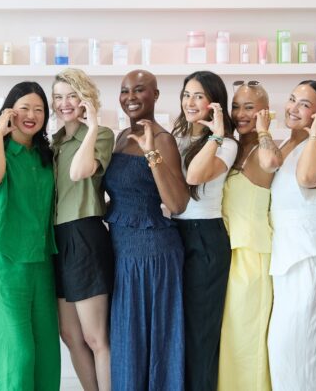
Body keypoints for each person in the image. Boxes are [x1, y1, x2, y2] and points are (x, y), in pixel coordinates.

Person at [0, 81, 61, 391]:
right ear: (9, 112)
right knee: (15, 354)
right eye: (24, 108)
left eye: (39, 110)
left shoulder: (45, 156)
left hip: (42, 263)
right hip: (4, 261)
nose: (32, 115)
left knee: (46, 355)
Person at [105, 70, 189, 391]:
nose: (130, 97)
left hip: (151, 254)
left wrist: (152, 151)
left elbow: (177, 202)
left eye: (139, 90)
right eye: (125, 90)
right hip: (122, 250)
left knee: (154, 344)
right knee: (128, 342)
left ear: (155, 95)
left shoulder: (163, 140)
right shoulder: (121, 137)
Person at [265, 81, 316, 390]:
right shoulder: (287, 143)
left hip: (310, 262)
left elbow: (308, 178)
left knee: (303, 353)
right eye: (292, 99)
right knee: (283, 354)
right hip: (286, 260)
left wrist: (315, 134)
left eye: (304, 104)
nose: (293, 108)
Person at [170, 71, 236, 391]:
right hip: (174, 234)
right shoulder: (176, 136)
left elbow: (194, 176)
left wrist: (216, 136)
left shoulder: (228, 144)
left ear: (215, 102)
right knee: (178, 330)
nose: (190, 102)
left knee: (201, 332)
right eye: (186, 95)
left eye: (199, 96)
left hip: (205, 237)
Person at [50, 69, 115, 391]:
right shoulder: (54, 143)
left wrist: (91, 126)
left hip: (84, 235)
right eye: (58, 97)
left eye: (72, 96)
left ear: (85, 99)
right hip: (57, 240)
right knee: (70, 335)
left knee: (95, 337)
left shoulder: (101, 135)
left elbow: (79, 172)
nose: (64, 103)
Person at [217, 81, 277, 391]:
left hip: (253, 255)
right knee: (230, 340)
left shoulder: (266, 149)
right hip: (228, 252)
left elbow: (270, 164)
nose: (240, 114)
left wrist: (264, 130)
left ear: (265, 111)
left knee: (248, 340)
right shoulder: (233, 147)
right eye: (236, 106)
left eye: (249, 107)